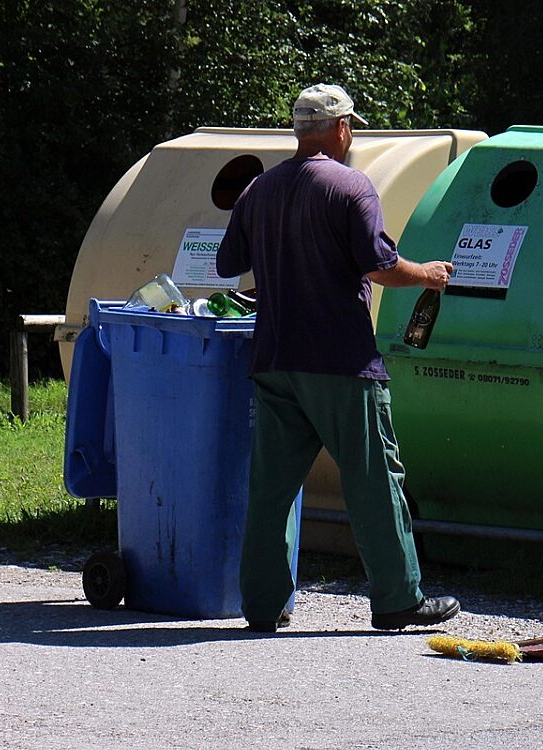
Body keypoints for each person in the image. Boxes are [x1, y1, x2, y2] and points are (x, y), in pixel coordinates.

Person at [216, 83, 459, 633]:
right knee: (375, 480)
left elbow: (231, 262)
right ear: (343, 128)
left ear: (300, 131)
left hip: (275, 359)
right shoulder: (351, 186)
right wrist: (428, 275)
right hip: (342, 363)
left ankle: (262, 605)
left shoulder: (259, 190)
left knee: (273, 489)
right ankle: (399, 599)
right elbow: (379, 266)